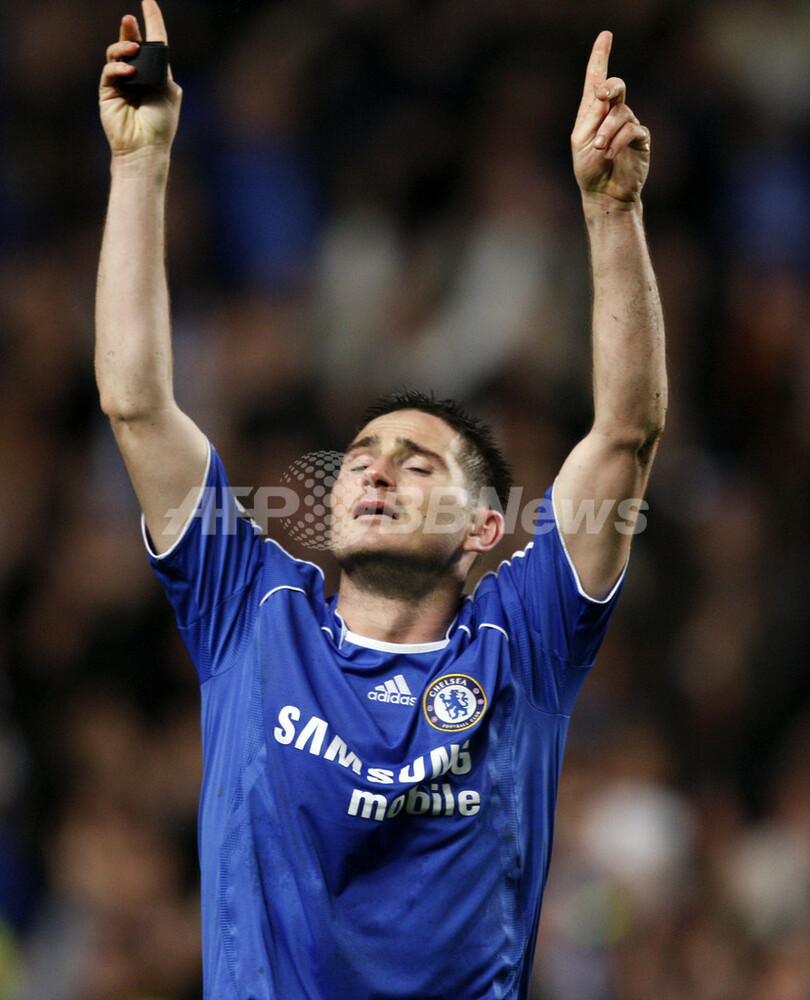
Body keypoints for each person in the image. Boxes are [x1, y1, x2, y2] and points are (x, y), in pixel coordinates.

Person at [96, 3, 666, 998]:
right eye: (361, 455)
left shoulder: (523, 640)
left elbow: (625, 433)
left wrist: (613, 215)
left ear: (484, 529)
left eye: (417, 463)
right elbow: (137, 402)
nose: (374, 470)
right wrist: (139, 164)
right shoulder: (251, 609)